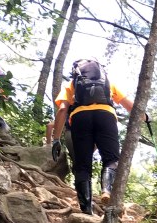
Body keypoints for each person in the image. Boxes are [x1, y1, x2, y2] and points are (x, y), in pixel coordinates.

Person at [51, 58, 144, 214]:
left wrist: (56, 139)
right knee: (111, 159)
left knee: (82, 165)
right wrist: (144, 116)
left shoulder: (71, 85)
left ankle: (86, 210)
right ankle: (106, 190)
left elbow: (62, 110)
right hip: (106, 116)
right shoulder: (108, 83)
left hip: (80, 118)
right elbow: (131, 107)